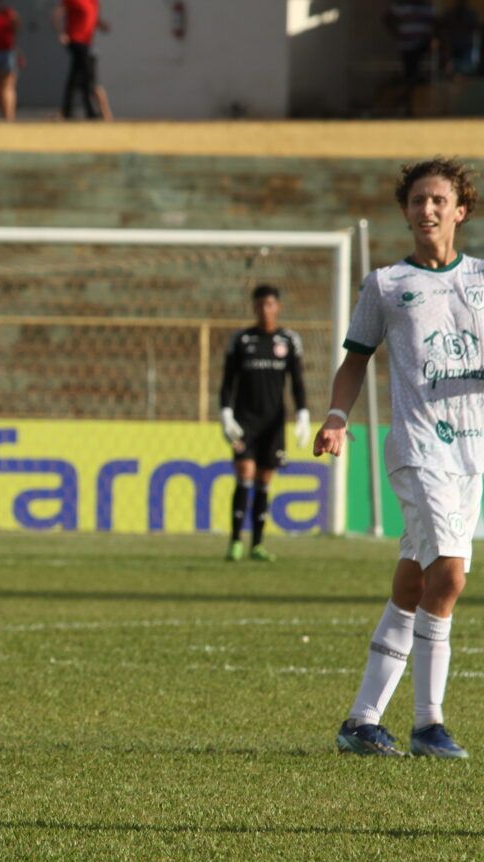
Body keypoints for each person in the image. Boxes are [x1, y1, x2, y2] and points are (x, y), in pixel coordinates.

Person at [316, 157, 480, 760]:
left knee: (414, 581)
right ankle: (429, 723)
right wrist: (336, 417)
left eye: (439, 200)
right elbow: (356, 357)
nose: (427, 210)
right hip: (417, 446)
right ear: (406, 210)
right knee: (452, 576)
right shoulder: (386, 284)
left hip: (471, 455)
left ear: (460, 210)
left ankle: (361, 722)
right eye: (417, 201)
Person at [218, 285, 310, 563]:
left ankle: (257, 543)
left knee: (264, 480)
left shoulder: (289, 340)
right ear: (254, 307)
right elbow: (227, 383)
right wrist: (225, 414)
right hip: (245, 420)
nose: (264, 310)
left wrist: (303, 414)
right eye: (259, 305)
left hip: (274, 422)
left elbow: (297, 382)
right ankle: (235, 541)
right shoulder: (241, 340)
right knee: (244, 474)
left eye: (269, 305)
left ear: (277, 307)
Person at [54, 0, 109, 120]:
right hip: (75, 40)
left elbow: (92, 18)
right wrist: (61, 33)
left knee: (77, 76)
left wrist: (101, 25)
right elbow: (57, 14)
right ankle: (87, 111)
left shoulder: (94, 2)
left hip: (87, 42)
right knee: (87, 75)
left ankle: (70, 111)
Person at [387, 0, 439, 115]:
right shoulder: (401, 6)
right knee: (410, 74)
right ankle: (407, 102)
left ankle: (406, 99)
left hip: (422, 45)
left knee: (414, 75)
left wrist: (434, 38)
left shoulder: (428, 7)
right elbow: (387, 18)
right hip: (407, 45)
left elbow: (436, 24)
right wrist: (396, 33)